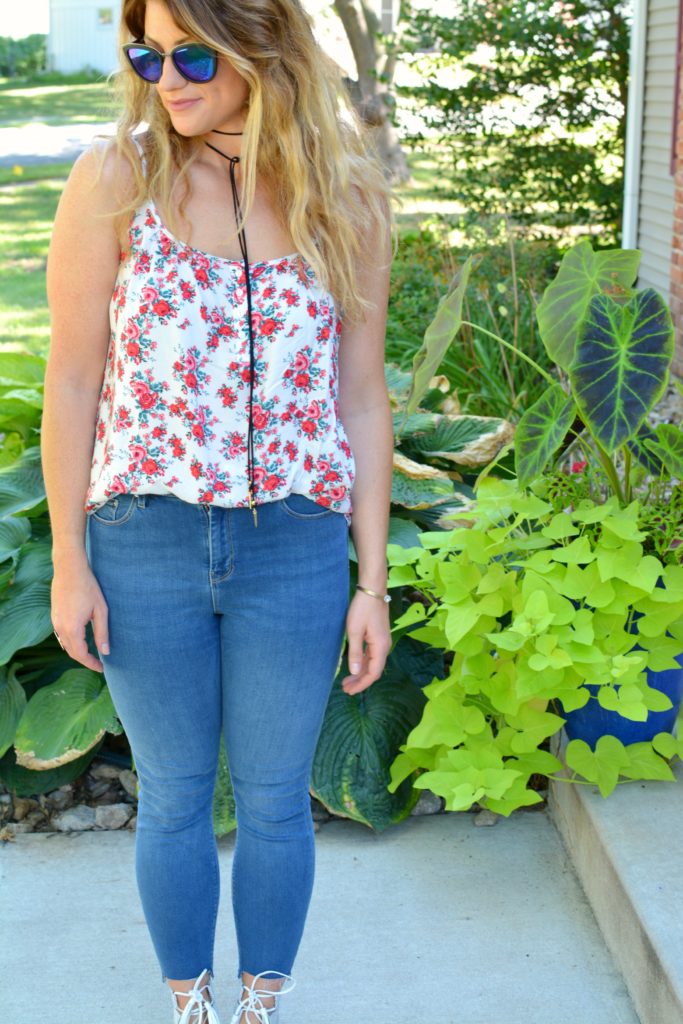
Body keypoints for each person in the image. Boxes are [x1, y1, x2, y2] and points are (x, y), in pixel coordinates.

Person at [42, 0, 395, 1021]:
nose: (168, 77)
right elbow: (71, 379)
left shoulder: (347, 198)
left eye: (193, 52)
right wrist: (71, 558)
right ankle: (188, 1000)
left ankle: (260, 1001)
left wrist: (371, 583)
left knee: (280, 801)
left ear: (262, 45)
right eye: (146, 55)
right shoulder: (115, 180)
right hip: (141, 539)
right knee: (175, 795)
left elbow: (361, 397)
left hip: (292, 543)